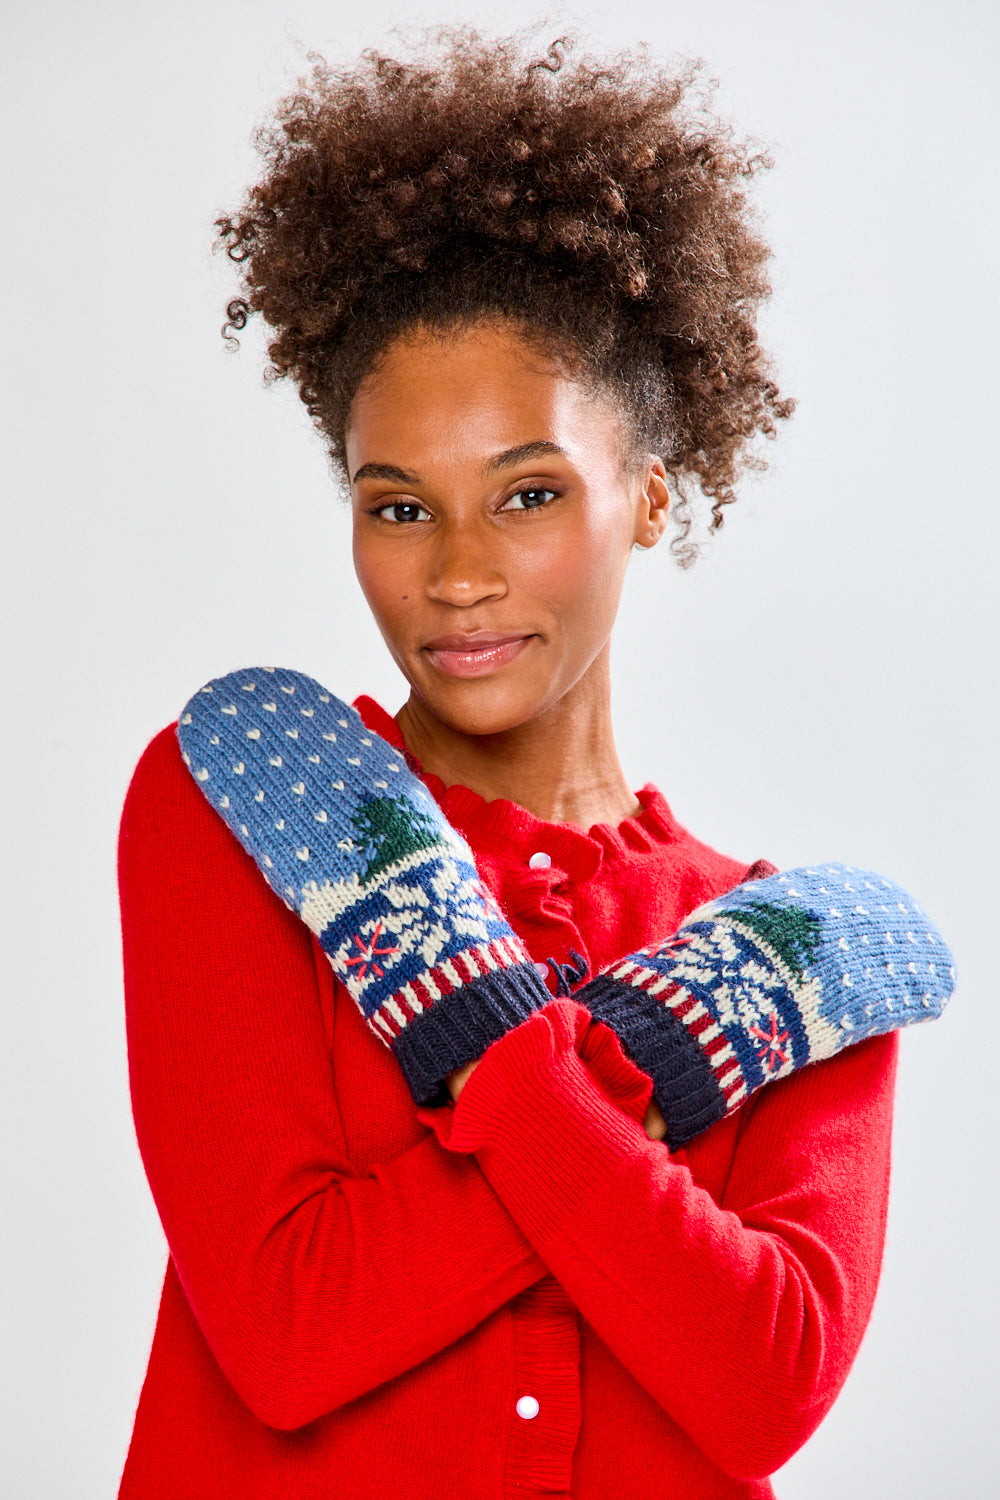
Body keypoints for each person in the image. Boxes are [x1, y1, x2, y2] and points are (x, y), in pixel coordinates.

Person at [116, 30, 921, 1499]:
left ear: (652, 496)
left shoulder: (797, 944)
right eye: (399, 507)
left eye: (529, 493)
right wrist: (647, 1057)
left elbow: (764, 1392)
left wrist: (504, 1057)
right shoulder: (260, 803)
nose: (460, 574)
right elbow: (291, 1333)